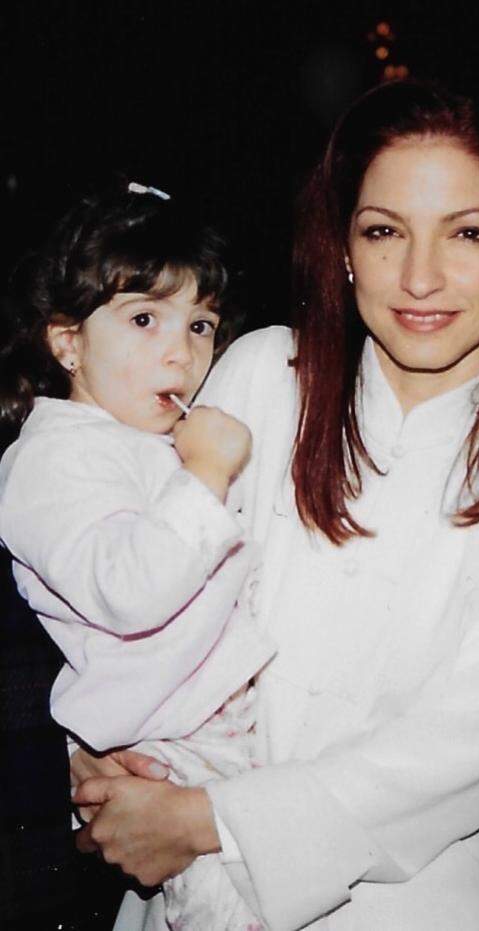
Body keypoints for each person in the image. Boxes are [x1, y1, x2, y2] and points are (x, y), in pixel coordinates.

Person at [71, 80, 479, 930]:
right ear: (346, 248)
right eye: (383, 230)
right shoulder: (261, 377)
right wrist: (100, 752)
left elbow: (470, 744)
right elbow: (128, 574)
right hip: (177, 883)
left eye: (467, 233)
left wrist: (207, 821)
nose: (420, 275)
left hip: (412, 901)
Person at [0, 184, 273, 930]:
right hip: (164, 741)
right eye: (145, 318)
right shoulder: (50, 460)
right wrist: (208, 475)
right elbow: (128, 588)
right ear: (67, 341)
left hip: (223, 723)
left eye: (201, 323)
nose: (180, 350)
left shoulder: (140, 444)